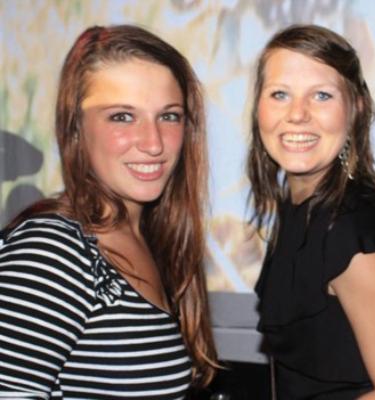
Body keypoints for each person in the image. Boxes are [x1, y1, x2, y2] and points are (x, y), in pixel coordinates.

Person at [0, 25, 217, 399]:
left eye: (169, 116)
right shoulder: (53, 251)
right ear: (76, 129)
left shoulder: (152, 240)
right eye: (122, 116)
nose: (153, 143)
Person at [247, 24, 375, 399]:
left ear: (355, 109)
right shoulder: (301, 203)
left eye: (321, 95)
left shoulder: (355, 227)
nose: (297, 114)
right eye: (280, 94)